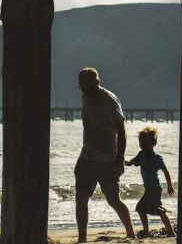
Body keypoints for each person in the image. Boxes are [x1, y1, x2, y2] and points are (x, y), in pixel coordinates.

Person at [75, 67, 135, 242]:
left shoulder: (109, 100)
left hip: (106, 159)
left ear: (98, 83)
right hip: (86, 156)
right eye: (83, 87)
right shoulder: (85, 95)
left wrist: (119, 160)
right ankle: (82, 238)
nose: (86, 91)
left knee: (113, 200)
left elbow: (122, 133)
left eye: (90, 87)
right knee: (80, 197)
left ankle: (131, 234)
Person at [124, 125, 176, 237]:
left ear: (153, 143)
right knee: (145, 209)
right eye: (140, 142)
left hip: (155, 188)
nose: (141, 144)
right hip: (149, 188)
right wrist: (120, 159)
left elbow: (166, 172)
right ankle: (150, 231)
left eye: (144, 142)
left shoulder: (157, 157)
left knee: (142, 208)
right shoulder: (141, 155)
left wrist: (170, 186)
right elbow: (130, 163)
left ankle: (168, 232)